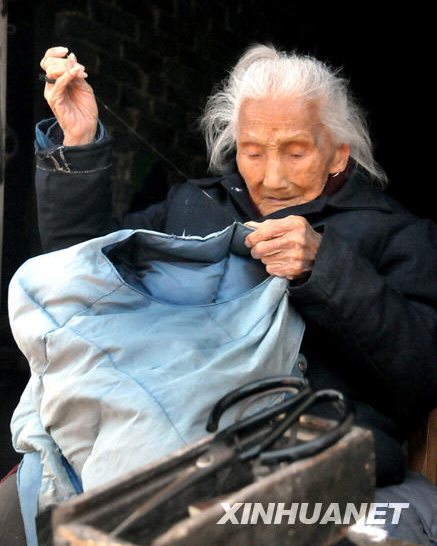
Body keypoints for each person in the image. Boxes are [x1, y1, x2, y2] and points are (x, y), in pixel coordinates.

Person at [2, 44, 437, 545]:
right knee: (19, 515)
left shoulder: (396, 234)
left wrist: (327, 268)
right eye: (253, 152)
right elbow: (85, 275)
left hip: (294, 458)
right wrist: (78, 144)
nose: (272, 177)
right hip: (148, 439)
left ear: (338, 152)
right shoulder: (193, 205)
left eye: (296, 152)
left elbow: (421, 373)